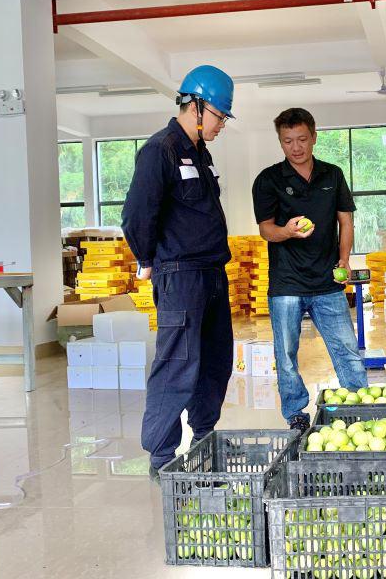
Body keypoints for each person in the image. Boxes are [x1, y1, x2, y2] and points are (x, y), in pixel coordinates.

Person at [121, 65, 235, 481]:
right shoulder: (160, 150)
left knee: (216, 359)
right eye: (220, 116)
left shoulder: (199, 152)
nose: (222, 124)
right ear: (198, 106)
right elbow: (136, 214)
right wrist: (147, 259)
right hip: (180, 275)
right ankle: (163, 455)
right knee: (177, 363)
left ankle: (204, 435)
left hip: (211, 273)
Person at [251, 107, 368, 433]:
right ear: (281, 141)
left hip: (327, 282)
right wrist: (287, 231)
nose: (296, 147)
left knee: (346, 349)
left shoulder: (332, 175)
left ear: (314, 137)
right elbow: (265, 230)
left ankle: (359, 405)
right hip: (286, 283)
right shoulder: (268, 180)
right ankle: (296, 414)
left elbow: (345, 219)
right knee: (286, 355)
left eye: (302, 139)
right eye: (288, 141)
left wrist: (344, 259)